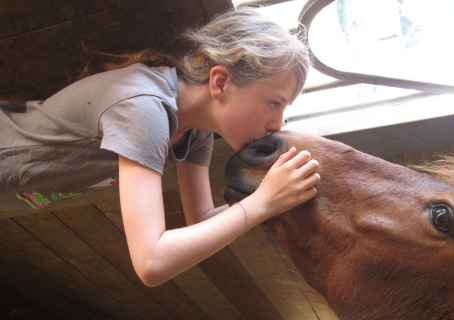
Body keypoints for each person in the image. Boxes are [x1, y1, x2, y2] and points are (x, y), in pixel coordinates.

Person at [0, 8, 320, 287]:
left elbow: (203, 221)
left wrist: (268, 197)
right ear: (220, 82)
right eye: (274, 102)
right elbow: (151, 262)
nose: (277, 124)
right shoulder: (146, 109)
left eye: (284, 108)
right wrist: (262, 204)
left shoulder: (195, 132)